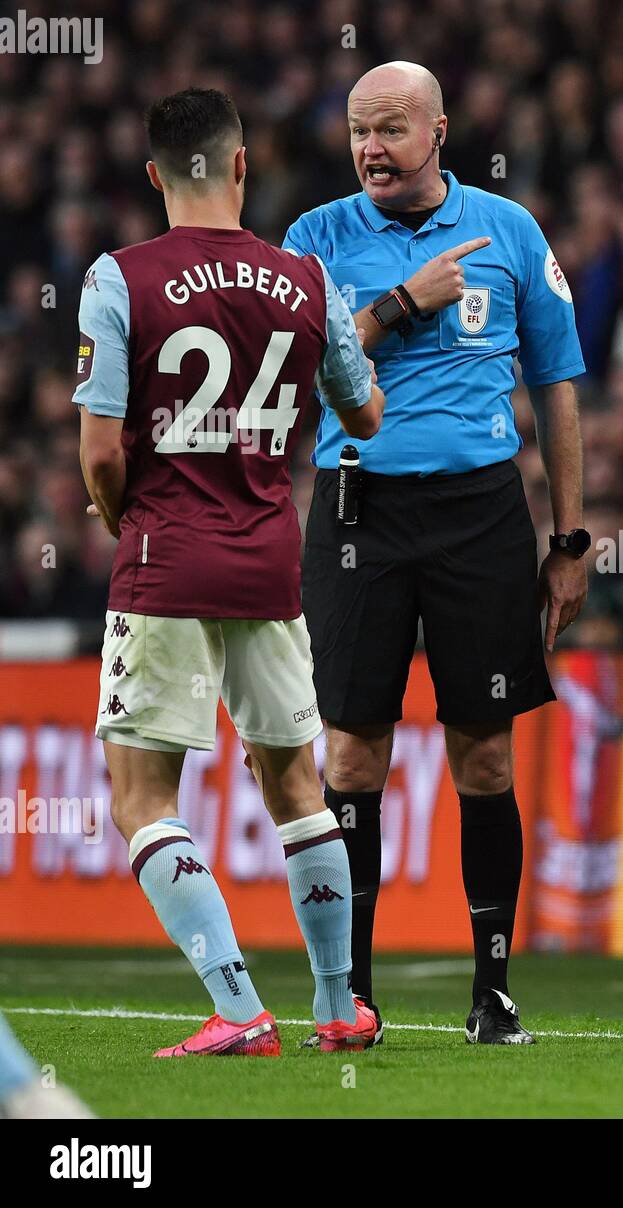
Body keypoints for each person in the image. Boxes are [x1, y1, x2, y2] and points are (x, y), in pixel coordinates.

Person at [74, 88, 385, 1056]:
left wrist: (133, 523)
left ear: (155, 173)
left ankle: (240, 1005)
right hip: (268, 556)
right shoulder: (303, 276)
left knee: (141, 796)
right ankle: (339, 1006)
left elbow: (98, 455)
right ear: (241, 165)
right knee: (296, 782)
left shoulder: (120, 278)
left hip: (166, 556)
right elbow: (363, 414)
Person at [284, 62, 586, 1045]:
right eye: (358, 130)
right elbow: (296, 374)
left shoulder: (510, 232)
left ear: (439, 129)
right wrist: (400, 305)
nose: (370, 147)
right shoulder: (314, 239)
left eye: (389, 128)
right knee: (351, 752)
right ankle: (351, 992)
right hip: (356, 509)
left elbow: (558, 385)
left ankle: (492, 990)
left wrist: (570, 537)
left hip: (481, 513)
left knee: (486, 755)